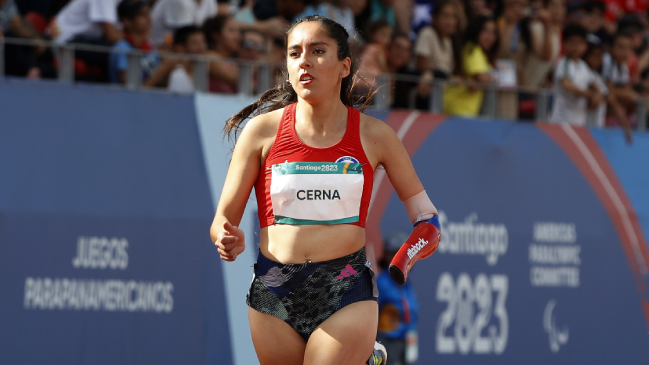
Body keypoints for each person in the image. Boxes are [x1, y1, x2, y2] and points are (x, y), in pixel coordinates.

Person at [210, 14, 441, 365]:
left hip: (345, 288)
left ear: (344, 65)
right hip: (273, 290)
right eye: (294, 53)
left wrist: (403, 260)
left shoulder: (375, 136)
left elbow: (428, 221)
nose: (304, 61)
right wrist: (226, 236)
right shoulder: (260, 133)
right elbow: (223, 220)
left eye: (318, 51)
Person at [109, 0, 176, 87]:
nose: (148, 18)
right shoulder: (122, 48)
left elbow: (160, 84)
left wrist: (169, 69)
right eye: (142, 15)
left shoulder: (151, 47)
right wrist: (162, 70)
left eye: (148, 13)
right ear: (126, 21)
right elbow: (131, 91)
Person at [376, 232, 420, 365]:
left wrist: (412, 334)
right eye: (395, 254)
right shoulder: (381, 283)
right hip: (386, 342)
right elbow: (373, 314)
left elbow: (411, 311)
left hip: (405, 342)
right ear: (387, 256)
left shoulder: (406, 283)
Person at [549, 24, 603, 126]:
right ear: (564, 44)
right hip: (561, 120)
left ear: (585, 46)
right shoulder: (563, 63)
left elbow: (595, 86)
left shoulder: (583, 66)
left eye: (580, 43)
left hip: (579, 121)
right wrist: (590, 94)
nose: (576, 47)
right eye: (572, 42)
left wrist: (597, 95)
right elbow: (568, 87)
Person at [443, 15, 498, 116]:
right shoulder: (473, 49)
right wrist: (496, 77)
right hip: (458, 109)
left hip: (463, 110)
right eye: (486, 31)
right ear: (476, 30)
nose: (490, 37)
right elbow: (482, 77)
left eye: (494, 32)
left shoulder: (480, 52)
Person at [414, 0, 459, 109]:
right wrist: (433, 74)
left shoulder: (448, 40)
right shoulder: (427, 33)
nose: (450, 21)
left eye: (453, 16)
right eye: (445, 16)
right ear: (434, 17)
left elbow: (447, 72)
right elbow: (421, 68)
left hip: (441, 94)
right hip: (425, 94)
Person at [150, 0, 217, 47]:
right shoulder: (178, 1)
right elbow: (185, 34)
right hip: (157, 50)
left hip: (180, 47)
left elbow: (210, 28)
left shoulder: (210, 1)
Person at [203, 14, 241, 94]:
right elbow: (236, 80)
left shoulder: (232, 62)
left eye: (238, 31)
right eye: (231, 30)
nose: (238, 36)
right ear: (216, 35)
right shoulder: (210, 57)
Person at [167, 25, 208, 93]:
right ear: (181, 48)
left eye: (203, 41)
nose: (201, 47)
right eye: (195, 43)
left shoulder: (206, 73)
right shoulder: (177, 75)